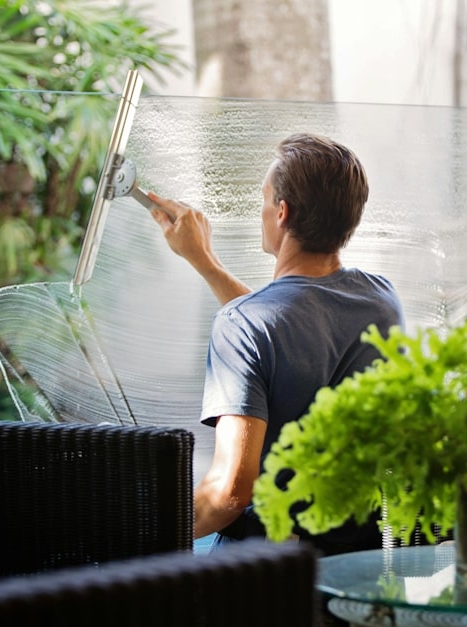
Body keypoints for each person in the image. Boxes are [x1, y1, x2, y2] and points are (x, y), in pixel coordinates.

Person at [148, 132, 404, 556]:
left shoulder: (244, 324)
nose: (262, 209)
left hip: (268, 571)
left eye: (264, 199)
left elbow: (229, 494)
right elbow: (292, 324)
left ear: (282, 213)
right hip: (357, 561)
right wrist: (205, 262)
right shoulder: (382, 301)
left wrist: (140, 529)